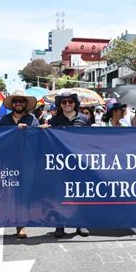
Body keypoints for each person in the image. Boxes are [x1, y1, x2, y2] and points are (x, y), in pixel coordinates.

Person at [0, 93, 39, 244]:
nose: (18, 103)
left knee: (22, 195)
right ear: (12, 104)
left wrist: (35, 131)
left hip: (25, 163)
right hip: (5, 163)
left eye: (21, 101)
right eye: (16, 101)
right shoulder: (4, 120)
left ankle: (20, 226)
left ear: (26, 104)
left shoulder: (33, 120)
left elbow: (38, 139)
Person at [48, 91, 90, 238]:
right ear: (60, 105)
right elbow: (48, 140)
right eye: (64, 102)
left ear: (75, 104)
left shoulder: (84, 119)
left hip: (79, 163)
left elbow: (91, 139)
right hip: (61, 163)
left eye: (70, 102)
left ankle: (81, 223)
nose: (67, 104)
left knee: (80, 193)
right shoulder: (54, 121)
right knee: (60, 194)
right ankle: (60, 225)